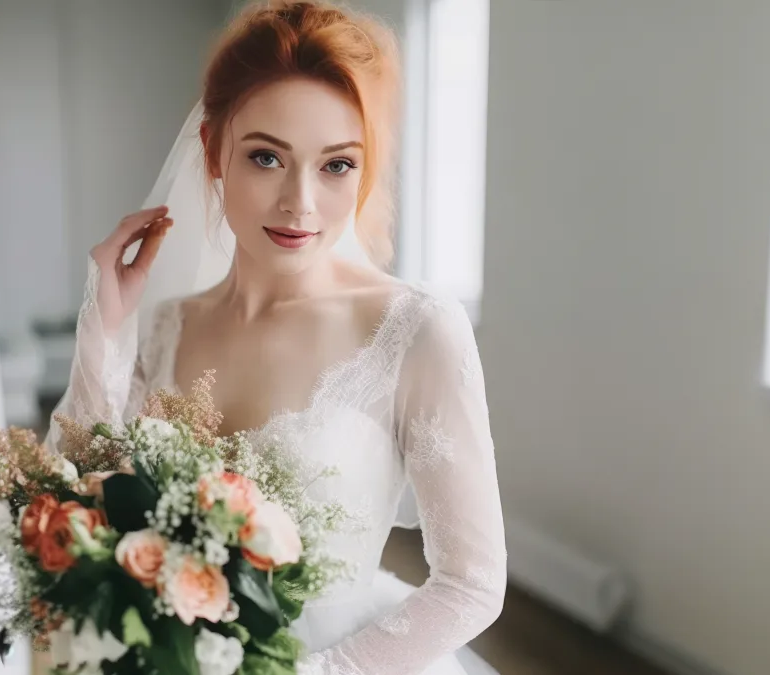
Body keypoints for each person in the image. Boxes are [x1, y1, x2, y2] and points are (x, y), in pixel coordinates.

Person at [45, 2, 507, 673]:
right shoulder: (169, 327)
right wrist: (104, 327)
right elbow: (79, 510)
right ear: (213, 153)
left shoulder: (415, 331)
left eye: (336, 165)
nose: (301, 202)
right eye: (267, 157)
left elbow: (472, 584)